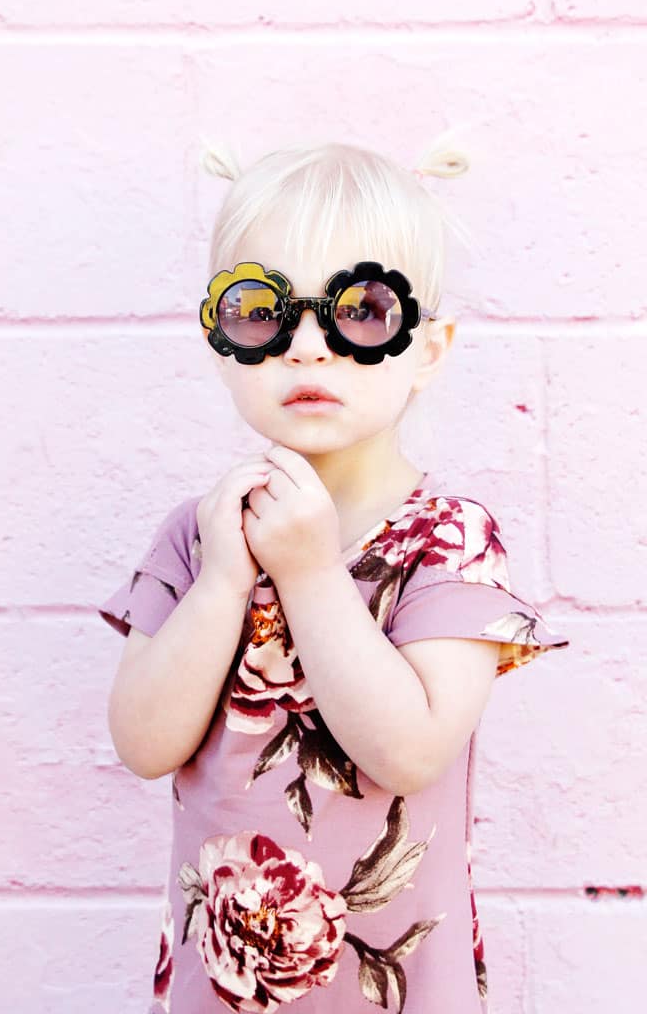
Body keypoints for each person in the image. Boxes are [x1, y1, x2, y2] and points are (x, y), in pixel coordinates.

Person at [98, 139, 569, 1014]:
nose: (309, 347)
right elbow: (143, 743)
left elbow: (411, 752)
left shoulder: (449, 541)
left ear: (429, 349)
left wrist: (312, 574)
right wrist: (221, 589)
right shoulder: (198, 540)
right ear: (220, 339)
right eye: (260, 309)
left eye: (362, 310)